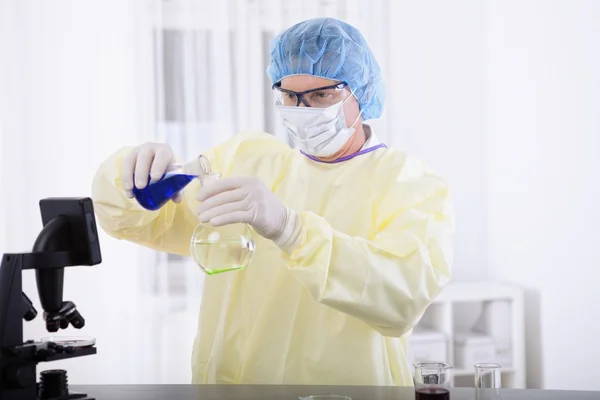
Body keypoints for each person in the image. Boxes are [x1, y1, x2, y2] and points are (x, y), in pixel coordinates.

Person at [92, 17, 454, 386]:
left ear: (359, 92)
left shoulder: (406, 181)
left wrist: (291, 230)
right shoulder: (248, 159)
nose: (303, 109)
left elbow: (402, 298)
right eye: (289, 95)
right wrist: (131, 178)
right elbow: (145, 223)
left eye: (321, 95)